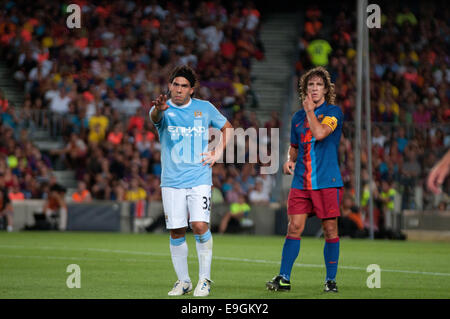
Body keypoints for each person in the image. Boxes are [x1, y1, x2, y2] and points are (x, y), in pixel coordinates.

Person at [149, 65, 232, 297]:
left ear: (191, 90)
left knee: (199, 225)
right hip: (171, 180)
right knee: (176, 230)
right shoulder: (161, 109)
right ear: (169, 86)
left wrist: (216, 153)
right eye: (175, 84)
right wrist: (158, 109)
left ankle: (204, 279)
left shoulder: (204, 108)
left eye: (184, 86)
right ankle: (183, 281)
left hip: (199, 177)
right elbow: (155, 118)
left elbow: (228, 129)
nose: (178, 89)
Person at [266, 66, 344, 293]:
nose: (315, 88)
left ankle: (330, 280)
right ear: (305, 89)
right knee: (294, 227)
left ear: (326, 90)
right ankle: (284, 278)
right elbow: (294, 146)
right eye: (311, 85)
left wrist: (310, 111)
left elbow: (320, 134)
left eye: (319, 85)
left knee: (330, 230)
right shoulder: (297, 117)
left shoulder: (334, 112)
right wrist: (289, 160)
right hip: (301, 182)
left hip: (327, 181)